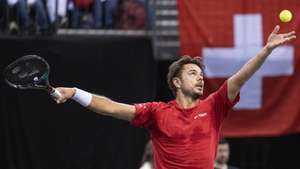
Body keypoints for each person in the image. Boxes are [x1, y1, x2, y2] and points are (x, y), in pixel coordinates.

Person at [53, 25, 295, 169]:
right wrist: (75, 92)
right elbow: (112, 108)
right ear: (177, 82)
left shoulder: (214, 106)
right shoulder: (157, 112)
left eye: (201, 74)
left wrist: (266, 51)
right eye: (193, 73)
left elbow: (240, 77)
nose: (200, 79)